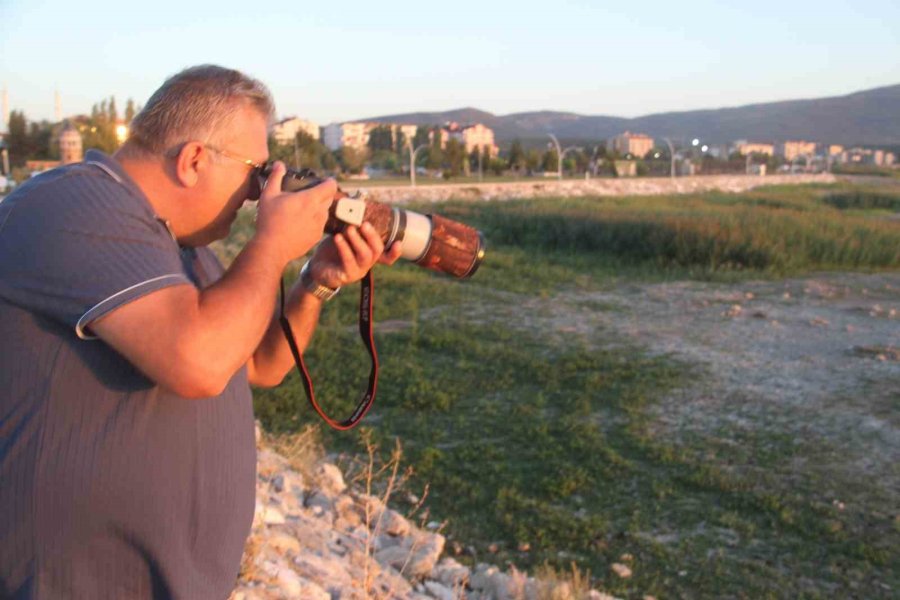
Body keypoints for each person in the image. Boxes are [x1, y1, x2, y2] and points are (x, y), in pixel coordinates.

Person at [0, 65, 401, 599]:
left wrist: (314, 283)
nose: (259, 194)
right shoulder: (73, 205)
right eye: (256, 172)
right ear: (193, 160)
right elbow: (201, 363)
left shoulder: (178, 250)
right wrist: (272, 246)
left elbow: (260, 364)